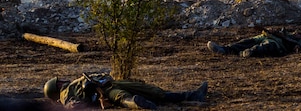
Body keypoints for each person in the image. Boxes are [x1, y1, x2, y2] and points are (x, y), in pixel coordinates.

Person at [43, 72, 208, 109]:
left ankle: (194, 95)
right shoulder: (66, 96)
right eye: (59, 82)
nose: (62, 80)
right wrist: (90, 93)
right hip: (105, 92)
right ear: (57, 87)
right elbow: (74, 106)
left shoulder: (72, 84)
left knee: (151, 90)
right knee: (123, 98)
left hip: (111, 83)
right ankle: (138, 104)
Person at [208, 28, 301, 58]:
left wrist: (298, 45)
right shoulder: (286, 33)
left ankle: (243, 54)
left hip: (276, 43)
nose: (296, 34)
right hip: (264, 36)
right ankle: (224, 49)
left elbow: (299, 47)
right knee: (245, 42)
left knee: (261, 48)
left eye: (298, 34)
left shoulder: (297, 41)